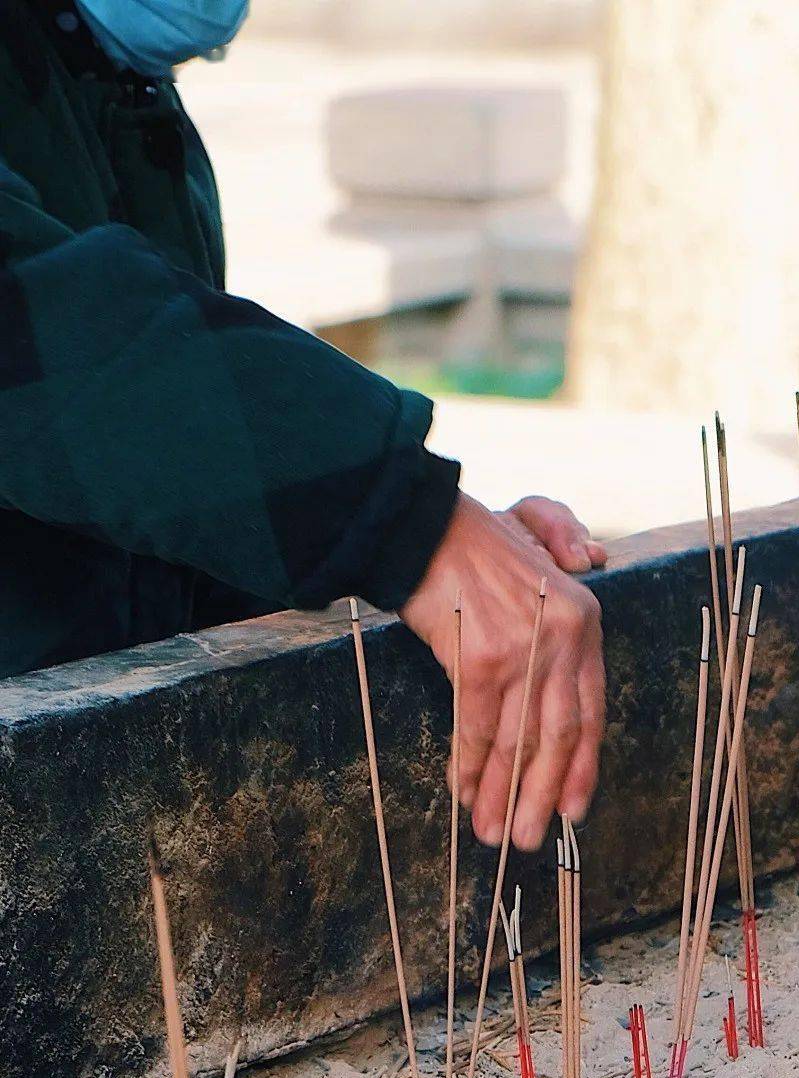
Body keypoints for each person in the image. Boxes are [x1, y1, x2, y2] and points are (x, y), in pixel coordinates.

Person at [0, 0, 607, 852]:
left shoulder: (105, 78)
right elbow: (45, 333)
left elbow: (130, 499)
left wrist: (436, 568)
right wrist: (400, 519)